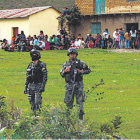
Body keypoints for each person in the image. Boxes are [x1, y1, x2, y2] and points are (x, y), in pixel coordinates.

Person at [60, 48, 91, 121]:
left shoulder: (81, 63)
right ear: (69, 55)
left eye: (74, 54)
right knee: (68, 103)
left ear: (76, 55)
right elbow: (61, 74)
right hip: (69, 86)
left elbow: (88, 70)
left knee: (80, 103)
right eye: (71, 54)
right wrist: (65, 71)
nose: (72, 56)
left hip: (78, 85)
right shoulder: (66, 64)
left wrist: (81, 71)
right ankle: (68, 120)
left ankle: (80, 120)